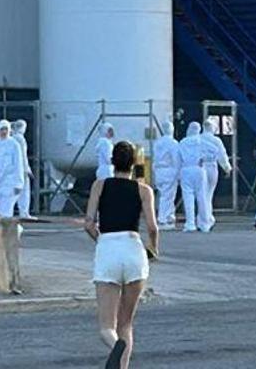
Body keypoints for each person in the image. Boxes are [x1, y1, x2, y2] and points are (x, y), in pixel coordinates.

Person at [85, 140, 158, 369]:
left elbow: (88, 223)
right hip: (134, 249)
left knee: (107, 327)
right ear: (134, 163)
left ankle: (115, 346)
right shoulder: (143, 190)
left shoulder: (100, 185)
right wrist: (153, 249)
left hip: (108, 248)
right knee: (126, 323)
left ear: (111, 161)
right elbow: (153, 227)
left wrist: (101, 239)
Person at [0, 119, 24, 218]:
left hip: (10, 182)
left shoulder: (14, 145)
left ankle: (7, 230)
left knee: (6, 209)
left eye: (6, 129)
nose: (4, 132)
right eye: (2, 129)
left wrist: (19, 183)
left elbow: (18, 164)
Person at [177, 122, 209, 233]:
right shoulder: (201, 141)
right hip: (199, 169)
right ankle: (204, 224)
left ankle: (190, 223)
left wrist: (178, 174)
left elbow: (178, 159)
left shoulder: (182, 142)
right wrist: (205, 158)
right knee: (202, 197)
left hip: (186, 170)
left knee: (188, 197)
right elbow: (214, 151)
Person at [200, 120, 232, 231]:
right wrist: (227, 168)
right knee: (209, 194)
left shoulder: (198, 139)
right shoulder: (216, 140)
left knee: (201, 195)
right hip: (212, 167)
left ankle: (202, 219)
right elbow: (222, 155)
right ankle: (208, 218)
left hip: (200, 167)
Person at [151, 121, 182, 229]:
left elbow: (154, 159)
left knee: (163, 195)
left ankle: (169, 217)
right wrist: (178, 174)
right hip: (169, 171)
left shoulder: (157, 143)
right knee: (168, 196)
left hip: (159, 171)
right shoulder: (173, 143)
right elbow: (176, 160)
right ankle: (162, 219)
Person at [13, 119, 35, 219]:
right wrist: (27, 170)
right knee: (24, 191)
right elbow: (23, 156)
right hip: (22, 169)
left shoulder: (11, 138)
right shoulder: (20, 139)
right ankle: (24, 212)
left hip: (14, 169)